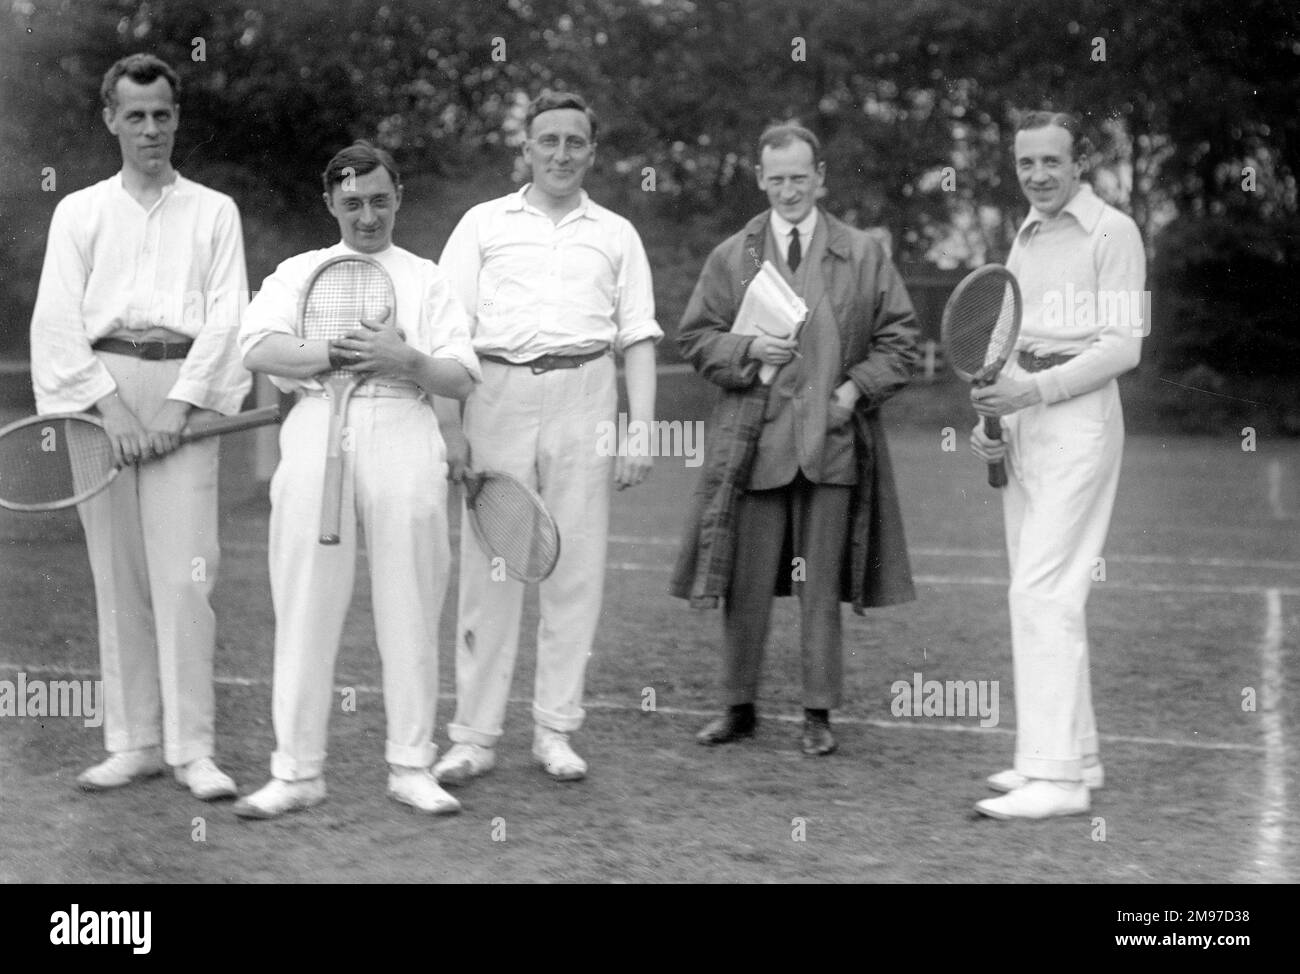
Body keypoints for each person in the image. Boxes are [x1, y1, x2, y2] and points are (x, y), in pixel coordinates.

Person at [233, 141, 480, 819]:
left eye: (378, 200)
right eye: (351, 203)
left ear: (397, 195)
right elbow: (256, 346)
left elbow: (459, 376)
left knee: (411, 603)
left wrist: (406, 358)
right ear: (330, 203)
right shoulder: (299, 271)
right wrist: (334, 351)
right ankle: (296, 771)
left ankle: (411, 764)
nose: (366, 215)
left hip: (406, 426)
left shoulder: (427, 279)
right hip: (317, 424)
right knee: (306, 601)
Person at [29, 54, 250, 800]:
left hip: (185, 393)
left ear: (177, 118)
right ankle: (135, 743)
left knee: (189, 578)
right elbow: (58, 319)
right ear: (111, 120)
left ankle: (193, 750)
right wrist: (114, 410)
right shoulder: (80, 211)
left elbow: (228, 318)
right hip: (104, 398)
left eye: (162, 114)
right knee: (117, 579)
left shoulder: (214, 211)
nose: (150, 128)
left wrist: (181, 407)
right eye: (136, 115)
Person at [433, 91, 660, 785]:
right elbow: (447, 328)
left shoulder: (616, 233)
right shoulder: (481, 224)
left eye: (574, 141)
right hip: (495, 395)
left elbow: (640, 337)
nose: (561, 153)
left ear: (592, 151)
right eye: (548, 141)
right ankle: (473, 735)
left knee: (576, 569)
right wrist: (451, 427)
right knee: (491, 569)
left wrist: (639, 430)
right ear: (526, 150)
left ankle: (556, 730)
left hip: (586, 395)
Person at [671, 123, 918, 756]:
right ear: (761, 179)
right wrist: (747, 347)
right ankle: (738, 706)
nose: (788, 189)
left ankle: (817, 714)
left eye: (799, 178)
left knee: (820, 591)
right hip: (753, 447)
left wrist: (853, 392)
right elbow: (696, 339)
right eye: (776, 178)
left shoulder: (863, 253)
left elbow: (900, 342)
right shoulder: (733, 255)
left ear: (820, 177)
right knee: (745, 585)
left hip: (830, 445)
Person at [970, 111, 1145, 820]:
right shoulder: (1024, 234)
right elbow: (1009, 336)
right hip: (1028, 420)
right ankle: (1073, 755)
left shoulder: (1115, 231)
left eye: (1052, 162)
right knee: (1035, 587)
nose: (1038, 176)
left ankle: (1060, 781)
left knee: (1044, 592)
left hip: (1080, 420)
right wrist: (998, 420)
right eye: (1026, 164)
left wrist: (1032, 392)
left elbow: (1123, 345)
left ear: (1080, 165)